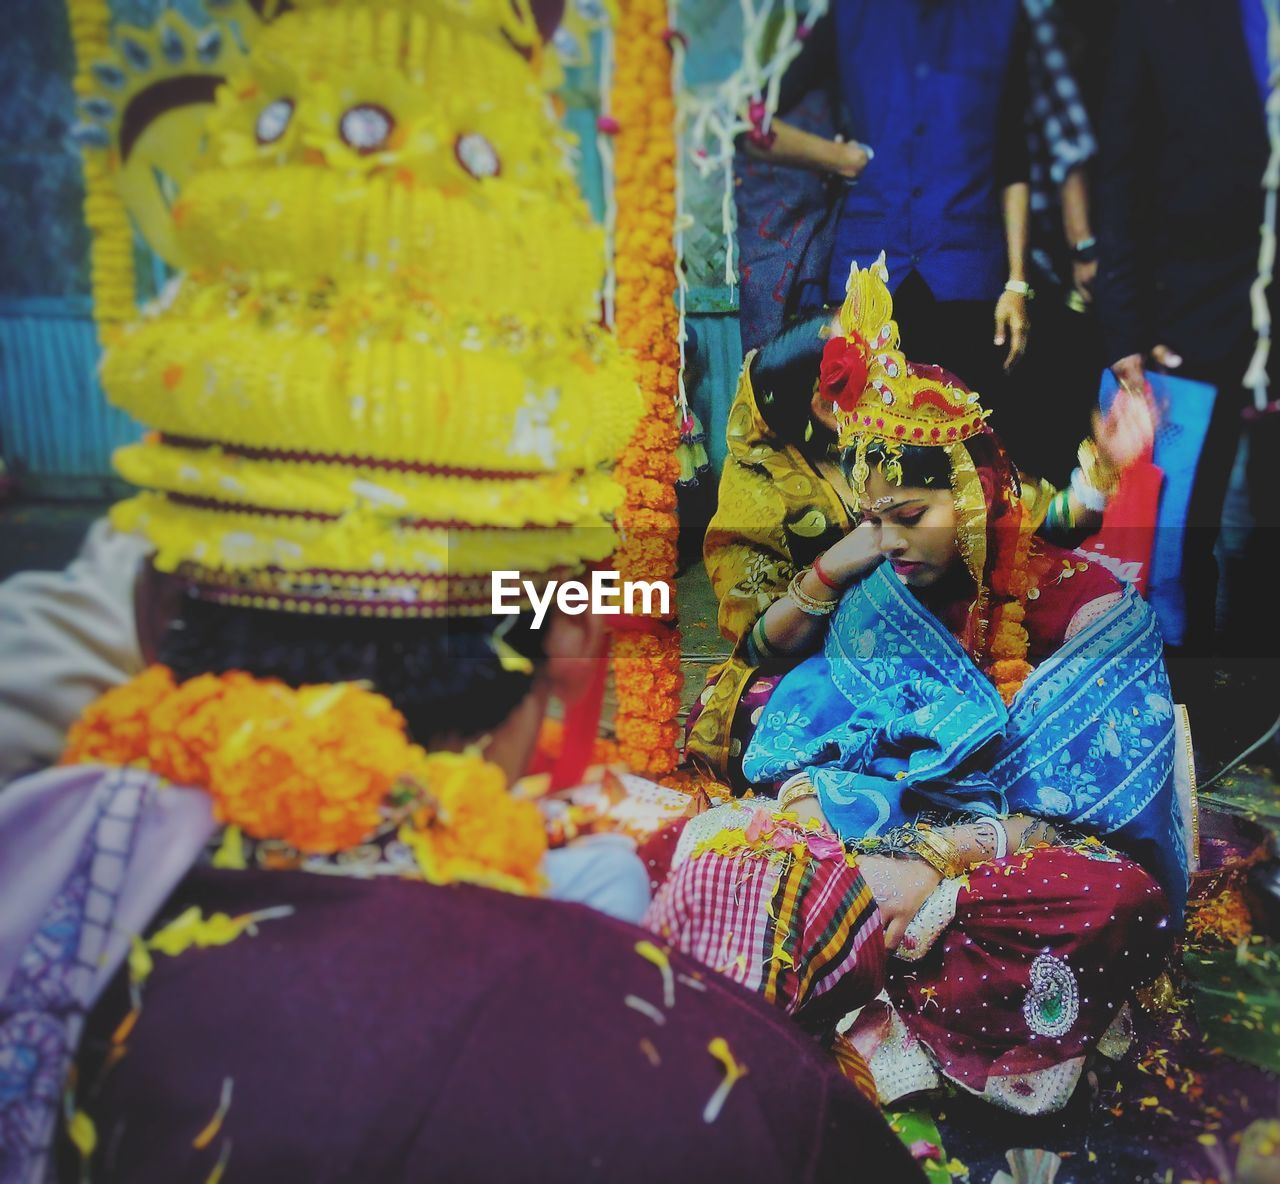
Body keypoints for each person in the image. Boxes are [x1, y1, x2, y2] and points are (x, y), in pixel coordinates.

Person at [0, 2, 924, 1180]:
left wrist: (286, 480)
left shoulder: (45, 857)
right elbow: (723, 619)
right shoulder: (716, 1093)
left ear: (153, 622)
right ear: (553, 666)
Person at [660, 257, 1187, 1115]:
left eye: (909, 518)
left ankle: (875, 1007)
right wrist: (837, 830)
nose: (890, 543)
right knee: (730, 848)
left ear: (977, 498)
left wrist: (941, 862)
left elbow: (1096, 796)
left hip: (1001, 845)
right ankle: (877, 991)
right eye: (875, 521)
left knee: (1114, 896)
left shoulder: (1060, 593)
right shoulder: (875, 596)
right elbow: (808, 725)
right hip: (874, 827)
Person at [685, 285, 1156, 787]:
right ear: (823, 404)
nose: (892, 372)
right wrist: (834, 569)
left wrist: (1100, 477)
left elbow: (1025, 522)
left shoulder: (916, 435)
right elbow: (757, 648)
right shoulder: (763, 495)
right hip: (829, 672)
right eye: (868, 366)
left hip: (955, 650)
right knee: (768, 720)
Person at [740, 0, 1036, 460]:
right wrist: (839, 158)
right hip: (869, 278)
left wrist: (1016, 283)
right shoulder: (852, 14)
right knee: (870, 453)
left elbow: (1014, 162)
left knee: (969, 457)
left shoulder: (1000, 16)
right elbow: (749, 122)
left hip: (968, 276)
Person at [1095, 0, 1280, 732]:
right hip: (1191, 311)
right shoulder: (1161, 14)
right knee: (1175, 536)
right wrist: (1126, 325)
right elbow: (1122, 168)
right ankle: (1176, 722)